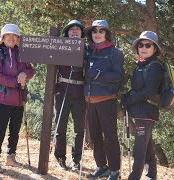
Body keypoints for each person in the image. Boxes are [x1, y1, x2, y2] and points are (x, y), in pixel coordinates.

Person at [0, 23, 35, 173]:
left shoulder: (22, 52)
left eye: (14, 35)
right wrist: (16, 81)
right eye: (7, 35)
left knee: (15, 130)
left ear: (17, 39)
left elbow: (31, 71)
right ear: (2, 38)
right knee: (0, 130)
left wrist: (25, 74)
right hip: (3, 98)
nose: (11, 37)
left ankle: (11, 156)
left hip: (19, 99)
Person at [83, 20, 124, 180]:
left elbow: (119, 76)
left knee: (110, 136)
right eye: (94, 31)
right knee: (94, 136)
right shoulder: (88, 51)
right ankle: (102, 167)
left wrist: (99, 74)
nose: (97, 34)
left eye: (101, 31)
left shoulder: (115, 53)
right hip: (89, 100)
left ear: (107, 34)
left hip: (107, 100)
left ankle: (115, 171)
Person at [121, 31, 163, 180]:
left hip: (147, 113)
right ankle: (151, 175)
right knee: (148, 147)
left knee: (139, 150)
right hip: (141, 112)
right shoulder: (140, 65)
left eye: (148, 45)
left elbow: (150, 90)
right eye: (141, 44)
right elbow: (138, 89)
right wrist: (127, 96)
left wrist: (130, 99)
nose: (143, 47)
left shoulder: (155, 66)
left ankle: (134, 177)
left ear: (154, 49)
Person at [53, 20, 86, 171]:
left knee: (79, 129)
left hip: (80, 94)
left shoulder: (87, 49)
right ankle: (60, 158)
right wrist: (55, 90)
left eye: (77, 30)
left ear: (81, 34)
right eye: (71, 29)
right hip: (62, 92)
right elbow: (52, 69)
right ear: (66, 33)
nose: (74, 31)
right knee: (61, 126)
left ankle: (76, 160)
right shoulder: (60, 48)